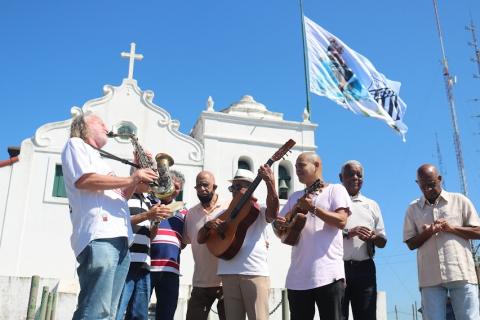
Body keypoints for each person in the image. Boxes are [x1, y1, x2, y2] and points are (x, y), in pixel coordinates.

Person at [61, 114, 158, 319]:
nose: (107, 126)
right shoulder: (75, 144)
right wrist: (133, 177)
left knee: (109, 312)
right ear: (84, 127)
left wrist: (136, 169)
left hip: (119, 239)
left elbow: (122, 195)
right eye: (100, 122)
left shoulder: (99, 160)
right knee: (95, 308)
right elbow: (84, 180)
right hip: (99, 236)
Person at [274, 152, 351, 320]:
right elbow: (279, 230)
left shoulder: (335, 190)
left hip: (328, 275)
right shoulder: (294, 196)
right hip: (297, 277)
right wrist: (278, 224)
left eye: (301, 165)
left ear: (316, 165)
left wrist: (313, 208)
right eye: (295, 167)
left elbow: (342, 221)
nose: (296, 170)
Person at [197, 167, 279, 320]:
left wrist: (270, 183)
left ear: (250, 188)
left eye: (239, 186)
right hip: (228, 274)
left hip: (254, 273)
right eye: (232, 187)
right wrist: (209, 226)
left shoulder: (259, 210)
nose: (234, 190)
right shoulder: (222, 214)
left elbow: (273, 214)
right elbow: (201, 238)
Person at [403, 164, 480, 319]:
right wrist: (429, 232)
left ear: (439, 179)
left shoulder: (459, 200)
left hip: (461, 274)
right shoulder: (413, 209)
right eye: (423, 186)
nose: (427, 189)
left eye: (431, 185)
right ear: (417, 183)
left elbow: (478, 231)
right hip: (429, 279)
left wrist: (450, 228)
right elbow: (410, 243)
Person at [116, 180, 172, 320]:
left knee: (140, 315)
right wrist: (147, 215)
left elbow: (150, 236)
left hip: (144, 264)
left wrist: (157, 220)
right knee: (117, 310)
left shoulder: (148, 201)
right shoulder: (123, 195)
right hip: (126, 262)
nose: (151, 184)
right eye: (148, 181)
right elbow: (118, 221)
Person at [339, 160, 387, 320]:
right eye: (350, 174)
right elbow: (323, 236)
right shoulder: (332, 203)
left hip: (365, 269)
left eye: (359, 175)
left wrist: (373, 237)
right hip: (338, 269)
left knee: (367, 316)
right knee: (338, 316)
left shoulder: (372, 205)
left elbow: (383, 241)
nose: (355, 178)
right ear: (341, 177)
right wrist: (348, 232)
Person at [183, 171, 229, 320]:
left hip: (227, 281)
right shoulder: (190, 214)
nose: (202, 188)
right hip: (201, 282)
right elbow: (184, 242)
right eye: (198, 186)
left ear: (214, 187)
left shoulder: (228, 206)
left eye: (205, 185)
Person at [150, 169, 187, 320]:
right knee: (135, 312)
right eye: (172, 185)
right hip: (146, 268)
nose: (174, 189)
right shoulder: (149, 202)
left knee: (166, 315)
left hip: (170, 271)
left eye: (178, 188)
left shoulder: (183, 212)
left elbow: (183, 241)